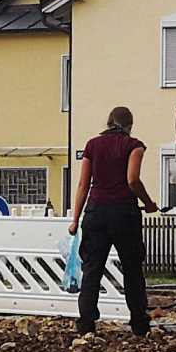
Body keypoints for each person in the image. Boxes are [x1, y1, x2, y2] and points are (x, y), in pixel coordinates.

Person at [68, 107, 159, 336]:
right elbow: (132, 180)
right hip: (124, 213)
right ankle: (139, 323)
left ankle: (86, 324)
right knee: (132, 268)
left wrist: (75, 219)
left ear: (108, 122)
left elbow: (83, 185)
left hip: (95, 212)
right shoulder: (134, 145)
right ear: (129, 126)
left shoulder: (92, 145)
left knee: (92, 269)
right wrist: (148, 203)